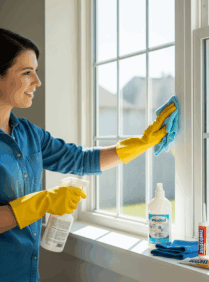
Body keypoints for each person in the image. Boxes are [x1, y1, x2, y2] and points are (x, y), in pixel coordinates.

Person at [0, 28, 176, 282]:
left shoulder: (29, 134)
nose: (37, 82)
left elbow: (82, 159)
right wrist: (41, 203)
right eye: (27, 73)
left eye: (35, 72)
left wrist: (143, 142)